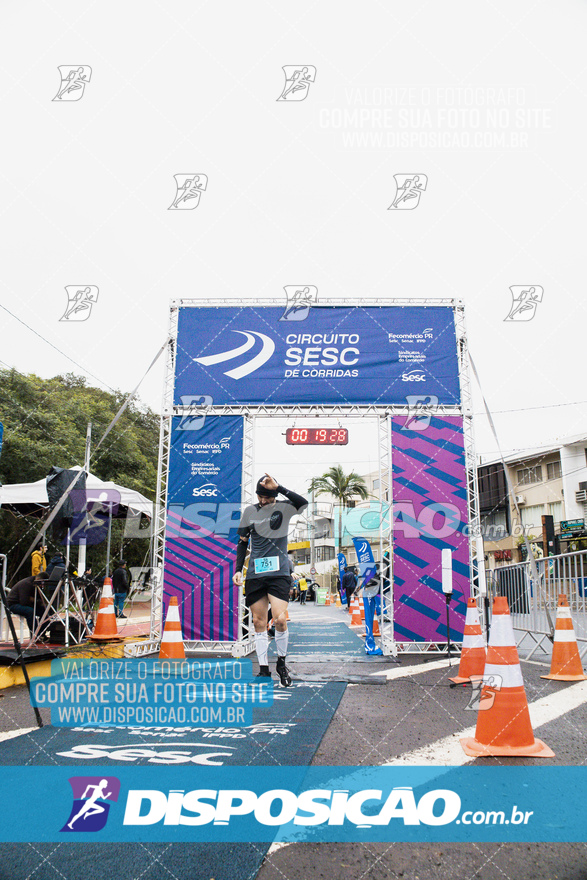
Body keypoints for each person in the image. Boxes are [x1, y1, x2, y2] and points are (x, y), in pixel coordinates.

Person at [233, 473, 307, 686]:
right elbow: (242, 542)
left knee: (280, 619)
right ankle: (264, 670)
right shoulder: (250, 512)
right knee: (258, 622)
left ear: (274, 496)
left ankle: (281, 663)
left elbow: (303, 503)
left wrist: (280, 487)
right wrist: (239, 569)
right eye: (260, 496)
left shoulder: (283, 508)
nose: (263, 501)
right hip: (256, 574)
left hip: (279, 573)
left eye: (268, 497)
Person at [6, 572, 50, 639]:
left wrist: (34, 600)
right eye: (42, 584)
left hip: (26, 603)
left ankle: (41, 633)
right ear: (38, 579)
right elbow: (24, 601)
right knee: (30, 611)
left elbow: (41, 599)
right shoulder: (26, 584)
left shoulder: (36, 584)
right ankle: (35, 635)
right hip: (13, 604)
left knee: (45, 610)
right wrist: (35, 601)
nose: (42, 586)